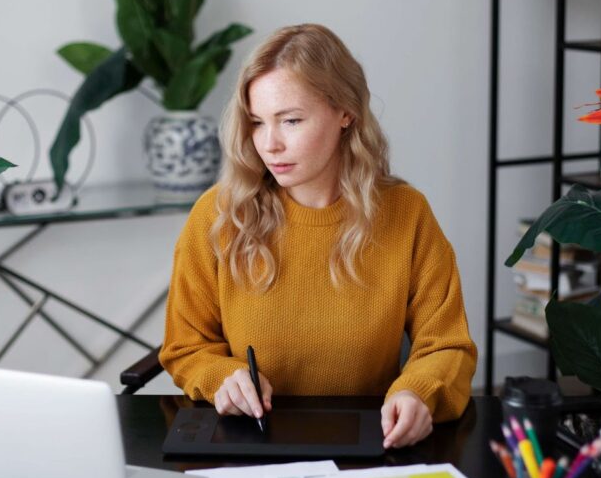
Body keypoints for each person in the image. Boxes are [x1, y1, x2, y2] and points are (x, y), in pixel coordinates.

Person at [159, 23, 477, 449]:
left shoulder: (406, 214)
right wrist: (221, 376)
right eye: (257, 122)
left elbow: (448, 345)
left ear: (345, 113)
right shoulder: (217, 216)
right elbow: (185, 347)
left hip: (369, 445)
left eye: (290, 121)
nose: (269, 144)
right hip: (247, 445)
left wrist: (417, 391)